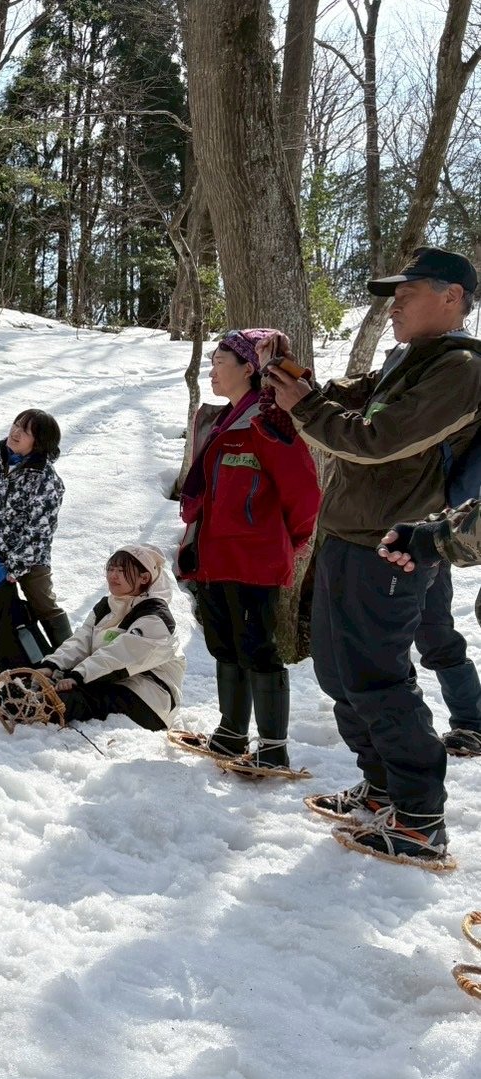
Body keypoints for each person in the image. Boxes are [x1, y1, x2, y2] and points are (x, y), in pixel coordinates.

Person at [267, 246, 481, 867]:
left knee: (378, 679)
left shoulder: (460, 370)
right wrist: (295, 387)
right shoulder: (408, 359)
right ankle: (382, 786)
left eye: (407, 293)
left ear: (452, 298)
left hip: (394, 546)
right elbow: (343, 401)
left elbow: (375, 440)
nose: (393, 306)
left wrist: (305, 406)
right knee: (337, 674)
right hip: (346, 535)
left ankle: (419, 817)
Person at [172, 329, 320, 775]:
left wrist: (283, 541)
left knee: (258, 648)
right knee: (224, 645)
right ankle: (231, 731)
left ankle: (273, 747)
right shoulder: (220, 420)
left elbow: (304, 495)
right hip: (213, 558)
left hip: (254, 559)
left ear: (247, 368)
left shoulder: (268, 421)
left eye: (220, 361)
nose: (212, 369)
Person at [0, 408, 71, 669]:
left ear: (39, 441)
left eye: (26, 430)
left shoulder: (45, 478)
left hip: (30, 560)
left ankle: (68, 660)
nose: (15, 432)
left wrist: (17, 564)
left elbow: (41, 529)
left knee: (44, 606)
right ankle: (4, 660)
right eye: (16, 424)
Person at [32, 544, 186, 731]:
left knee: (65, 700)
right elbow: (81, 640)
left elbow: (120, 656)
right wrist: (52, 665)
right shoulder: (107, 606)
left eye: (122, 571)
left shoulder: (156, 616)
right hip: (107, 681)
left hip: (148, 699)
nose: (113, 576)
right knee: (42, 687)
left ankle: (27, 714)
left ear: (144, 578)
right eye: (111, 569)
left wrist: (78, 676)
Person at [378, 497, 481, 758]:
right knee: (383, 639)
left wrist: (436, 528)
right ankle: (401, 727)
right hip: (370, 539)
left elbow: (462, 480)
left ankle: (471, 723)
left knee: (434, 632)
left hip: (429, 537)